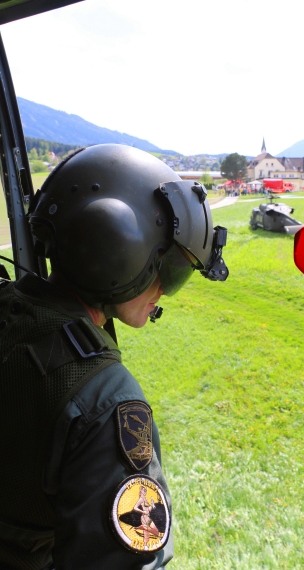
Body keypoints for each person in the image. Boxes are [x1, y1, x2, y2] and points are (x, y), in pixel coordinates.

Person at [0, 143, 229, 569]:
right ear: (116, 249)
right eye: (169, 270)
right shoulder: (105, 402)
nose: (164, 290)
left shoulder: (11, 312)